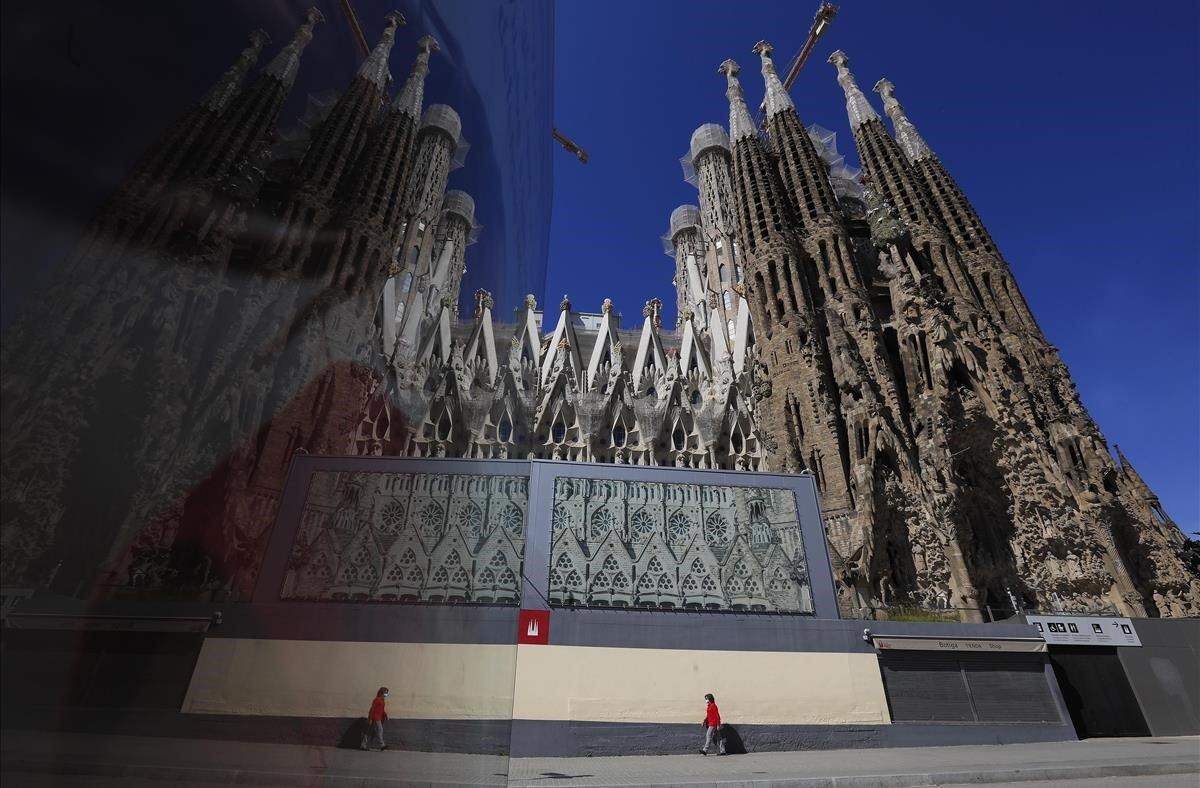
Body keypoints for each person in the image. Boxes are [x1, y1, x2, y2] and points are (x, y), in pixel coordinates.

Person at [361, 687, 389, 751]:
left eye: (387, 693)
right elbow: (372, 709)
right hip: (375, 718)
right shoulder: (377, 699)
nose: (386, 694)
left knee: (368, 732)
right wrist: (370, 719)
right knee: (380, 730)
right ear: (382, 692)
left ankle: (363, 745)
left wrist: (385, 714)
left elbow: (381, 710)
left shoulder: (382, 700)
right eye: (385, 692)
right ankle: (382, 745)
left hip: (378, 718)